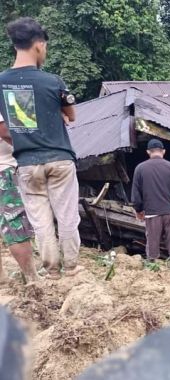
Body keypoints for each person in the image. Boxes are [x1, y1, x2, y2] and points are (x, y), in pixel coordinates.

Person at [0, 18, 81, 280]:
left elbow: (13, 124)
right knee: (67, 215)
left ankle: (52, 271)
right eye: (44, 48)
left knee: (41, 220)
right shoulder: (52, 81)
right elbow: (72, 115)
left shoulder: (2, 83)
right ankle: (71, 267)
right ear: (38, 45)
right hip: (60, 159)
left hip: (27, 163)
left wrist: (25, 140)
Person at [131, 139, 170, 270]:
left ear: (148, 152)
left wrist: (139, 210)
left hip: (152, 214)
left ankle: (152, 270)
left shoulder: (140, 168)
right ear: (163, 151)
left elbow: (136, 195)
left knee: (152, 243)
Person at [0, 113, 38, 284]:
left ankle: (1, 278)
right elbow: (5, 131)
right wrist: (32, 146)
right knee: (15, 226)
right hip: (4, 172)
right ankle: (32, 278)